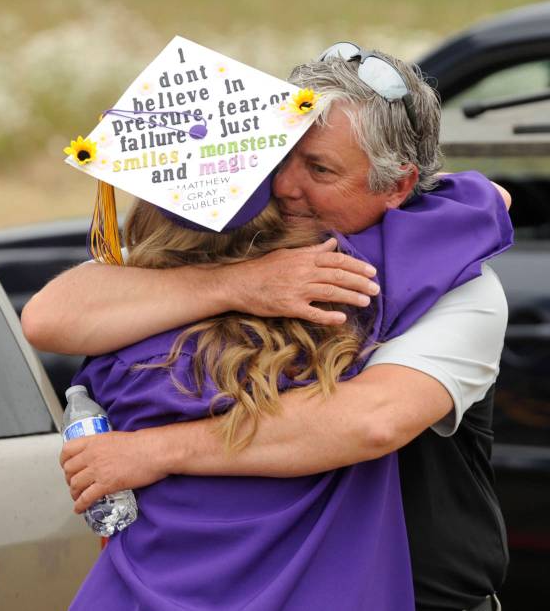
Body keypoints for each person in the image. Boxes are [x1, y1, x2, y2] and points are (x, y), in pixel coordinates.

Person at [26, 46, 512, 611]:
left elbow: (368, 420)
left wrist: (153, 450)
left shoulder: (457, 285)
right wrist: (239, 283)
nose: (284, 187)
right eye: (281, 158)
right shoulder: (230, 247)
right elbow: (51, 316)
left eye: (320, 170)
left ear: (398, 186)